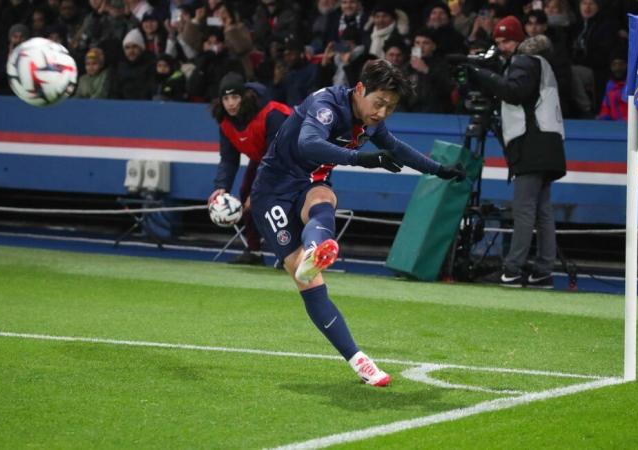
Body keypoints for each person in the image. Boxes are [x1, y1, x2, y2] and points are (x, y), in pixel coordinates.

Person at [249, 59, 466, 386]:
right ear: (360, 89)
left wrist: (437, 170)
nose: (381, 113)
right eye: (378, 103)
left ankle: (316, 254)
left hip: (311, 182)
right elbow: (307, 142)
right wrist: (360, 159)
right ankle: (355, 354)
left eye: (390, 108)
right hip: (273, 192)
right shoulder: (327, 105)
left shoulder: (370, 120)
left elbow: (395, 147)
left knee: (324, 200)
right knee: (308, 283)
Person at [467, 17, 567, 289]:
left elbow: (514, 92)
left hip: (531, 144)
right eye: (498, 42)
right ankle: (543, 271)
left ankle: (512, 270)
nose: (503, 47)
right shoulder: (541, 62)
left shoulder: (524, 61)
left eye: (507, 41)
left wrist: (482, 74)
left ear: (520, 40)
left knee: (524, 210)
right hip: (550, 144)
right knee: (543, 211)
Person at [209, 72, 292, 265]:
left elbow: (276, 158)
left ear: (244, 96)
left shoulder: (272, 114)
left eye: (235, 97)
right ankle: (254, 251)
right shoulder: (225, 123)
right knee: (245, 191)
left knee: (284, 200)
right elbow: (229, 160)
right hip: (265, 158)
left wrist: (258, 192)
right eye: (226, 98)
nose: (230, 103)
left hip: (292, 158)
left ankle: (291, 253)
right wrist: (221, 187)